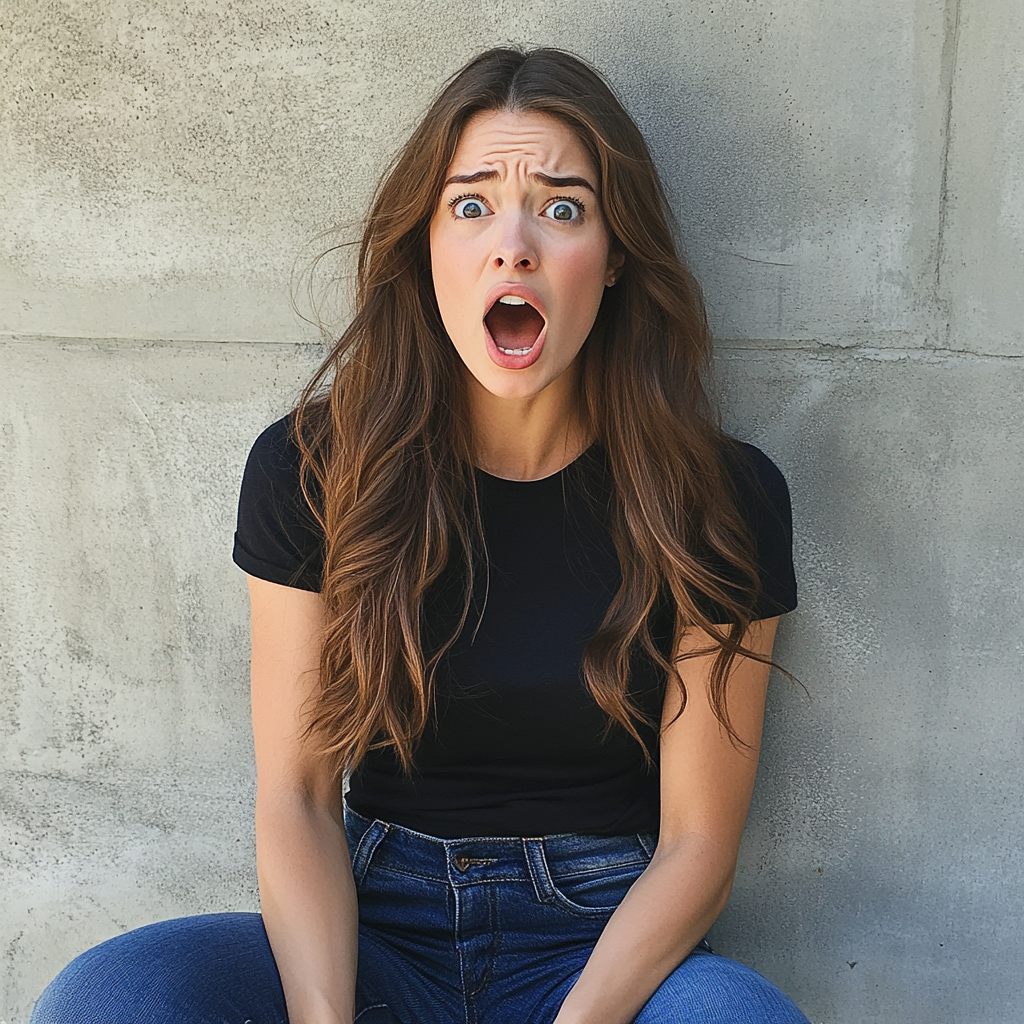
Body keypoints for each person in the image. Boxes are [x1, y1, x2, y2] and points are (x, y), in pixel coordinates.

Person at [32, 47, 810, 1024]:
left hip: (601, 940)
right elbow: (298, 799)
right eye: (471, 205)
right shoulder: (313, 472)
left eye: (562, 208)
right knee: (105, 1000)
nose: (513, 245)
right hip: (373, 925)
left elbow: (697, 843)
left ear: (614, 258)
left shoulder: (719, 498)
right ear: (425, 247)